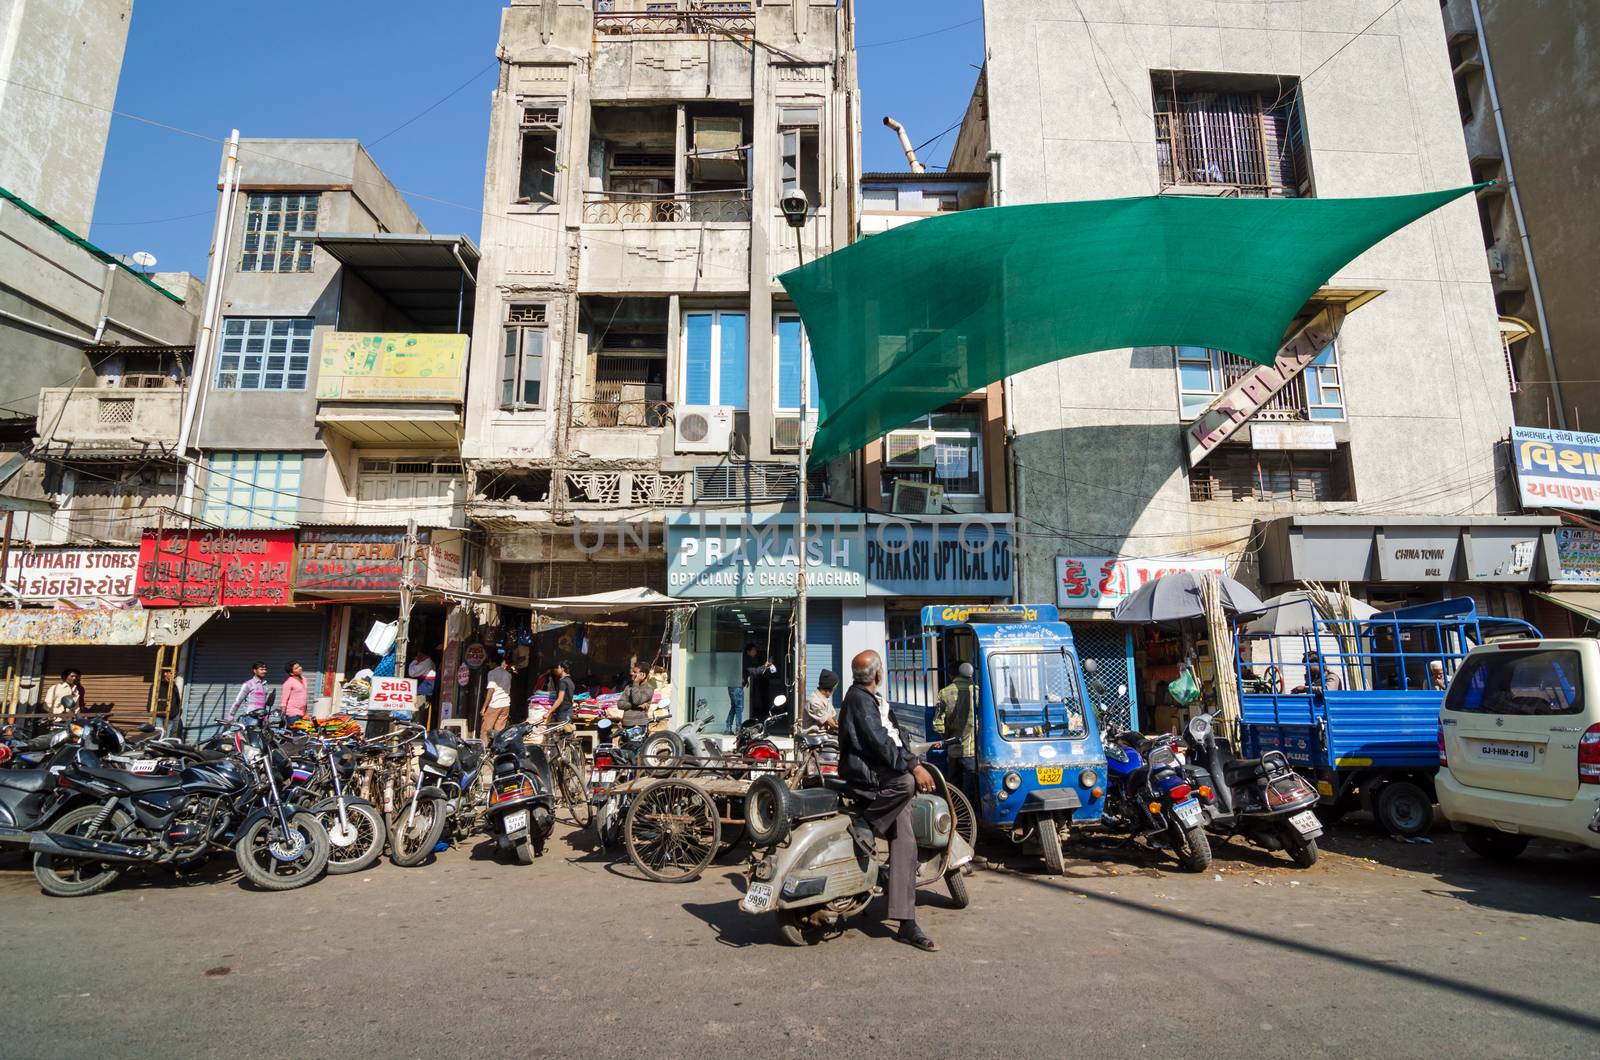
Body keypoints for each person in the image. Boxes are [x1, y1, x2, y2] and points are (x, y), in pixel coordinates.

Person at [838, 649, 939, 952]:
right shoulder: (858, 700)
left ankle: (906, 921)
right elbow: (878, 742)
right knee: (908, 783)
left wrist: (912, 755)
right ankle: (867, 823)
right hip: (871, 778)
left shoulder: (875, 700)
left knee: (906, 843)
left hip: (884, 774)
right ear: (879, 674)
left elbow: (894, 737)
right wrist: (912, 766)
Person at [933, 662, 976, 795]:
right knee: (970, 788)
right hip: (972, 750)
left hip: (953, 749)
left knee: (954, 788)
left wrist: (948, 738)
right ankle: (971, 813)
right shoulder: (976, 691)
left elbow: (937, 724)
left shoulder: (944, 692)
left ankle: (955, 812)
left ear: (952, 675)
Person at [609, 663, 656, 728]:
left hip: (640, 725)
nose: (631, 673)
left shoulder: (649, 688)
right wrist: (636, 706)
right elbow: (620, 704)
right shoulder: (628, 687)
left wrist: (636, 682)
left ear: (643, 675)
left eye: (635, 672)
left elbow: (636, 700)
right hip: (626, 724)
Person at [479, 654, 513, 741]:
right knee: (499, 731)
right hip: (506, 704)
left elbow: (491, 690)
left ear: (493, 663)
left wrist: (484, 707)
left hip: (495, 704)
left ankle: (484, 750)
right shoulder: (508, 674)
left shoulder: (492, 673)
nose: (489, 665)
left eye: (489, 662)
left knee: (485, 730)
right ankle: (497, 751)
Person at [801, 669, 839, 734]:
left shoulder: (825, 700)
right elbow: (832, 724)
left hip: (824, 737)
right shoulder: (814, 702)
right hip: (814, 739)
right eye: (835, 687)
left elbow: (834, 719)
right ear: (831, 688)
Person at [408, 647, 437, 713]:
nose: (418, 657)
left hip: (421, 692)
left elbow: (411, 673)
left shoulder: (425, 663)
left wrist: (415, 661)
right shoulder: (430, 662)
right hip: (425, 691)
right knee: (421, 712)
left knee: (415, 712)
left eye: (419, 655)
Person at [549, 660, 577, 725]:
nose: (555, 670)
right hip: (569, 712)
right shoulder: (570, 681)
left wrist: (549, 712)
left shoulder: (563, 682)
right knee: (566, 734)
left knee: (561, 733)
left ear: (562, 669)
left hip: (563, 714)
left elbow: (560, 699)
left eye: (557, 668)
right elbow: (571, 699)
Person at [160, 668, 185, 739]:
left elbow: (177, 699)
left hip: (171, 714)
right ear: (165, 674)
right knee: (159, 734)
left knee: (168, 735)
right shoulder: (159, 684)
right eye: (171, 673)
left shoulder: (174, 685)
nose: (173, 675)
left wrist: (176, 711)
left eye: (175, 674)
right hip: (160, 714)